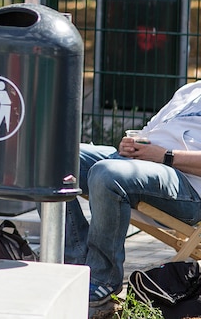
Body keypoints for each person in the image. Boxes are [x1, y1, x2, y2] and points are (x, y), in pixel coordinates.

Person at [68, 80, 201, 310]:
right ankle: (76, 265)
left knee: (106, 173)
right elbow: (149, 132)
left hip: (186, 186)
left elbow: (163, 154)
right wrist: (131, 145)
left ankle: (103, 279)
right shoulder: (191, 90)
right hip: (142, 164)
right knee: (56, 158)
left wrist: (164, 156)